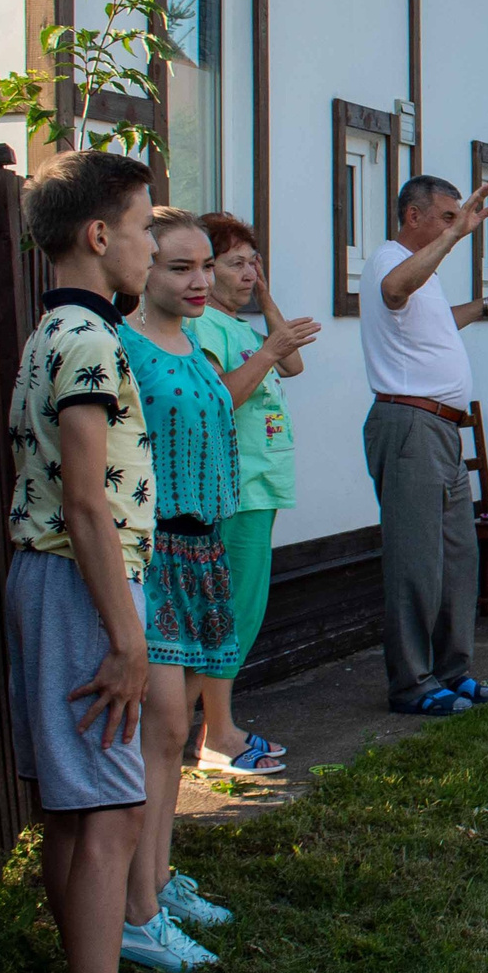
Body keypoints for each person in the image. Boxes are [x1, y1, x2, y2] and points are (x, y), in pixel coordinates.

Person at [6, 150, 222, 973]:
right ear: (100, 237)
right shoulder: (90, 342)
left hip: (61, 582)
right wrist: (129, 637)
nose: (148, 246)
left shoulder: (56, 330)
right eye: (142, 230)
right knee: (105, 813)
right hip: (83, 584)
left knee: (81, 808)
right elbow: (88, 503)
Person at [119, 209, 244, 973]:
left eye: (205, 266)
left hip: (200, 548)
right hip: (156, 550)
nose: (199, 280)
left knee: (174, 733)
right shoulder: (126, 348)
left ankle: (159, 881)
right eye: (179, 267)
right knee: (160, 729)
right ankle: (138, 909)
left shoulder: (191, 343)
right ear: (144, 269)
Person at [361, 176, 488, 715]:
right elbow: (394, 291)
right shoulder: (389, 261)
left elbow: (437, 324)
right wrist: (455, 239)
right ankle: (412, 683)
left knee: (458, 555)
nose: (456, 224)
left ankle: (453, 672)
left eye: (458, 217)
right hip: (410, 424)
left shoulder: (424, 276)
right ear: (414, 216)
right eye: (447, 216)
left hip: (442, 430)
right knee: (416, 562)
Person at [190, 213, 319, 775]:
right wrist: (269, 349)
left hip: (261, 486)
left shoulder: (239, 324)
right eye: (237, 263)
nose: (249, 272)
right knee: (231, 613)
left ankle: (205, 732)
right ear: (206, 268)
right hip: (234, 489)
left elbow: (292, 363)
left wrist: (266, 301)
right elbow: (218, 402)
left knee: (243, 609)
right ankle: (207, 735)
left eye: (254, 262)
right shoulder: (202, 328)